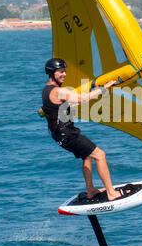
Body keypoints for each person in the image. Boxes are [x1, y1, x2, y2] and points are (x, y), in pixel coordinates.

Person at [41, 58, 129, 201]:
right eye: (60, 72)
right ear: (52, 73)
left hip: (59, 135)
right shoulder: (58, 91)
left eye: (64, 71)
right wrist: (104, 88)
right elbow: (82, 99)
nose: (64, 74)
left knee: (87, 156)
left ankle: (90, 190)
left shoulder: (46, 90)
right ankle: (112, 193)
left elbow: (56, 108)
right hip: (68, 134)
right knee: (100, 155)